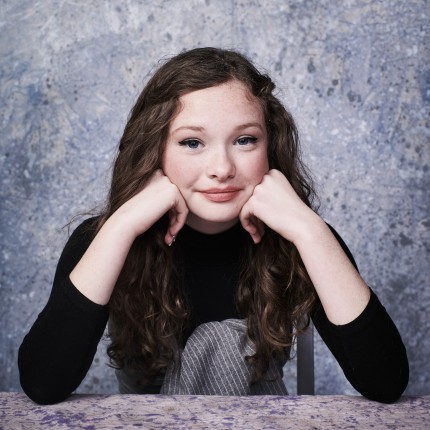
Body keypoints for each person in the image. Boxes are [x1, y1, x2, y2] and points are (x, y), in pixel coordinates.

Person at [18, 47, 408, 405]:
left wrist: (310, 230)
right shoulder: (105, 238)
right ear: (155, 149)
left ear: (269, 148)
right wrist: (121, 226)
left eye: (245, 140)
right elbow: (43, 384)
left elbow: (386, 383)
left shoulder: (303, 239)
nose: (221, 169)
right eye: (192, 143)